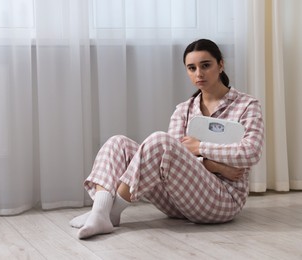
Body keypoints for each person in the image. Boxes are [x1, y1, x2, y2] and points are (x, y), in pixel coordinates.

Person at [69, 39, 264, 239]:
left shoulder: (247, 105)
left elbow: (251, 153)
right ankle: (102, 211)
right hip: (176, 201)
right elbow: (173, 157)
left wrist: (199, 146)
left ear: (220, 64)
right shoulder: (183, 110)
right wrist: (216, 166)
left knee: (160, 141)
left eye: (206, 65)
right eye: (192, 68)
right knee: (117, 142)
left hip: (222, 201)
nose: (199, 73)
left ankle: (108, 212)